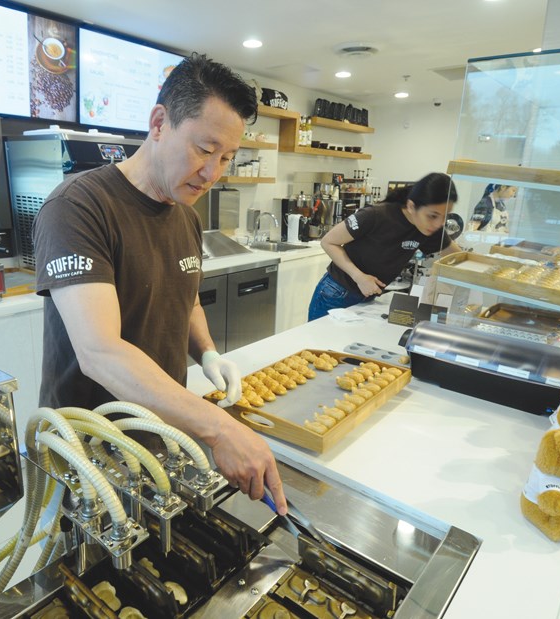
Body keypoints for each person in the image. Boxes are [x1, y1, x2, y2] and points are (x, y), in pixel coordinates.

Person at [32, 54, 287, 514]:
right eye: (205, 150)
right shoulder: (79, 207)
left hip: (164, 429)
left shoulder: (184, 215)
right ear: (158, 123)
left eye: (227, 158)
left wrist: (207, 352)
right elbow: (99, 351)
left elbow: (184, 296)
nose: (213, 174)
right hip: (91, 445)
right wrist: (220, 428)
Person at [308, 172, 461, 320]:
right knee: (319, 343)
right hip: (336, 293)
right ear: (411, 206)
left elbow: (459, 259)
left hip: (367, 299)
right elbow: (328, 242)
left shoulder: (430, 228)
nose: (438, 223)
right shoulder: (376, 215)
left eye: (444, 216)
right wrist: (359, 277)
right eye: (433, 215)